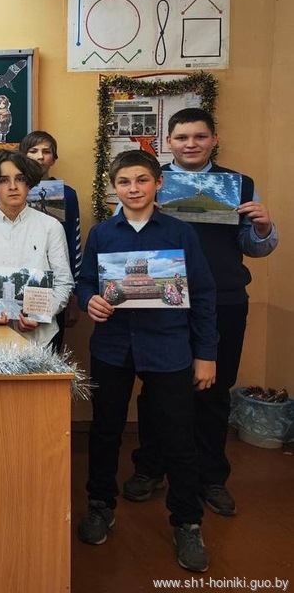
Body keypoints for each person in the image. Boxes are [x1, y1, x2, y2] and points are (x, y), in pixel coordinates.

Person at [124, 108, 278, 517]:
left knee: (215, 390)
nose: (190, 144)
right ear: (168, 142)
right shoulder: (148, 179)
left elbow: (254, 247)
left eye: (199, 136)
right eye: (182, 137)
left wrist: (263, 228)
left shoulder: (238, 184)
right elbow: (127, 238)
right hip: (162, 300)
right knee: (157, 389)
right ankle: (150, 468)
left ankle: (212, 478)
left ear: (213, 140)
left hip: (224, 300)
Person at [76, 150, 217, 574]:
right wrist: (90, 300)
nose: (133, 189)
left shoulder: (180, 232)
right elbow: (85, 283)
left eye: (141, 180)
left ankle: (187, 521)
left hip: (168, 348)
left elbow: (203, 295)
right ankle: (100, 505)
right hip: (113, 347)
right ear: (113, 187)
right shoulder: (103, 233)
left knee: (178, 436)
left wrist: (206, 354)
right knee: (105, 431)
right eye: (124, 182)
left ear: (158, 183)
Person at [0, 150, 72, 347]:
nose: (13, 187)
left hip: (41, 340)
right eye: (3, 180)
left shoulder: (51, 227)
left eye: (20, 179)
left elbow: (63, 283)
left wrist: (42, 313)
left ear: (29, 184)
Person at [19, 130, 83, 351]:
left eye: (46, 152)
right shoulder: (11, 190)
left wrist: (73, 293)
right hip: (18, 276)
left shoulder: (67, 194)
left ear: (54, 159)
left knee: (50, 348)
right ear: (22, 155)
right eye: (33, 151)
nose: (40, 156)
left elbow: (73, 243)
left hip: (55, 284)